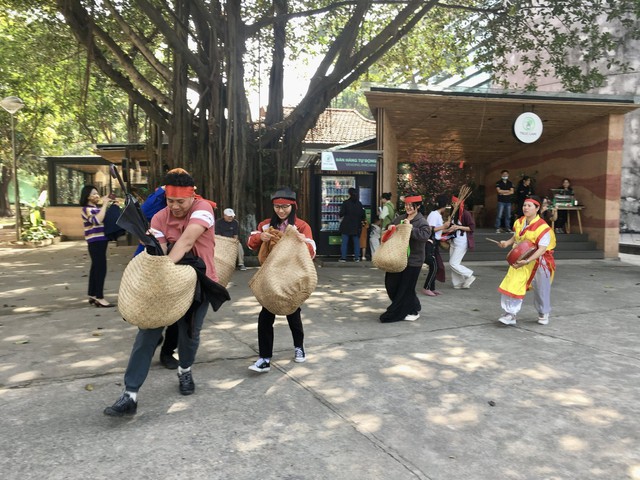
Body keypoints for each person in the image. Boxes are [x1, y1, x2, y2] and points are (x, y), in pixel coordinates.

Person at [104, 168, 221, 416]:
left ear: (193, 196)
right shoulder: (158, 218)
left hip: (199, 282)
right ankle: (130, 394)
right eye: (170, 201)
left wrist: (166, 265)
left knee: (189, 334)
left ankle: (185, 370)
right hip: (166, 284)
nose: (175, 207)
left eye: (181, 201)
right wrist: (153, 247)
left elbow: (187, 241)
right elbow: (163, 249)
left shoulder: (203, 209)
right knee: (146, 333)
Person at [246, 188, 316, 373]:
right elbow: (250, 242)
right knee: (265, 315)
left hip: (292, 276)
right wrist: (260, 237)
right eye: (277, 207)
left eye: (285, 207)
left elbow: (312, 250)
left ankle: (299, 347)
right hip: (271, 277)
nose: (281, 211)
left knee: (293, 312)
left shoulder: (302, 226)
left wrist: (303, 242)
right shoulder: (266, 224)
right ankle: (264, 358)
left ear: (293, 206)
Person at [133, 184, 180, 370]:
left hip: (175, 262)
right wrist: (161, 192)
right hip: (149, 260)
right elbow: (142, 213)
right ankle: (151, 338)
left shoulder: (190, 207)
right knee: (147, 307)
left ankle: (168, 352)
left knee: (176, 312)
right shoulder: (157, 204)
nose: (176, 204)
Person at [497, 195, 556, 326]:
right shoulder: (519, 222)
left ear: (537, 208)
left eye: (529, 205)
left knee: (541, 289)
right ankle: (510, 314)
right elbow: (516, 237)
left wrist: (528, 260)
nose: (526, 208)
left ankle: (543, 312)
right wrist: (506, 243)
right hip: (520, 259)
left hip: (540, 262)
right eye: (524, 205)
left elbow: (541, 249)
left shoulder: (543, 227)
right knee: (512, 284)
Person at [379, 194, 431, 323]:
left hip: (413, 260)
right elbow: (390, 228)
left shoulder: (422, 221)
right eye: (406, 205)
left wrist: (410, 228)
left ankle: (410, 311)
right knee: (391, 284)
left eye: (410, 206)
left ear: (417, 206)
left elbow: (424, 236)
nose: (408, 208)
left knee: (405, 288)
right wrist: (390, 228)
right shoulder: (400, 218)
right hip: (397, 257)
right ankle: (413, 305)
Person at [80, 185, 116, 308]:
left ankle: (92, 294)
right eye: (93, 193)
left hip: (101, 240)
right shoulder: (86, 209)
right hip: (95, 241)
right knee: (101, 268)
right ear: (87, 196)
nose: (96, 195)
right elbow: (97, 221)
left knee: (95, 268)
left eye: (97, 193)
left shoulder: (96, 208)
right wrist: (105, 204)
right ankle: (100, 297)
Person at [422, 194, 451, 296]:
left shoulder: (437, 215)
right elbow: (430, 230)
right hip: (430, 243)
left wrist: (448, 229)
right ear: (443, 205)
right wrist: (444, 226)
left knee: (436, 266)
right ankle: (427, 288)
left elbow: (439, 230)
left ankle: (431, 288)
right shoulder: (434, 215)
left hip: (435, 244)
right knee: (434, 266)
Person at [445, 195, 476, 290]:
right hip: (454, 240)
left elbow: (471, 228)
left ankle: (469, 275)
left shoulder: (466, 214)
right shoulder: (453, 213)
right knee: (455, 263)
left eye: (455, 203)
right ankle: (458, 283)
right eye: (453, 203)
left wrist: (458, 227)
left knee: (453, 263)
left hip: (462, 241)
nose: (453, 204)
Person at [338, 188, 365, 262]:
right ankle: (357, 257)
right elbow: (363, 215)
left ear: (349, 194)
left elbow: (341, 214)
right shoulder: (359, 204)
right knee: (356, 243)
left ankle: (343, 257)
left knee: (344, 242)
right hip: (356, 226)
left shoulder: (346, 203)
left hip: (346, 225)